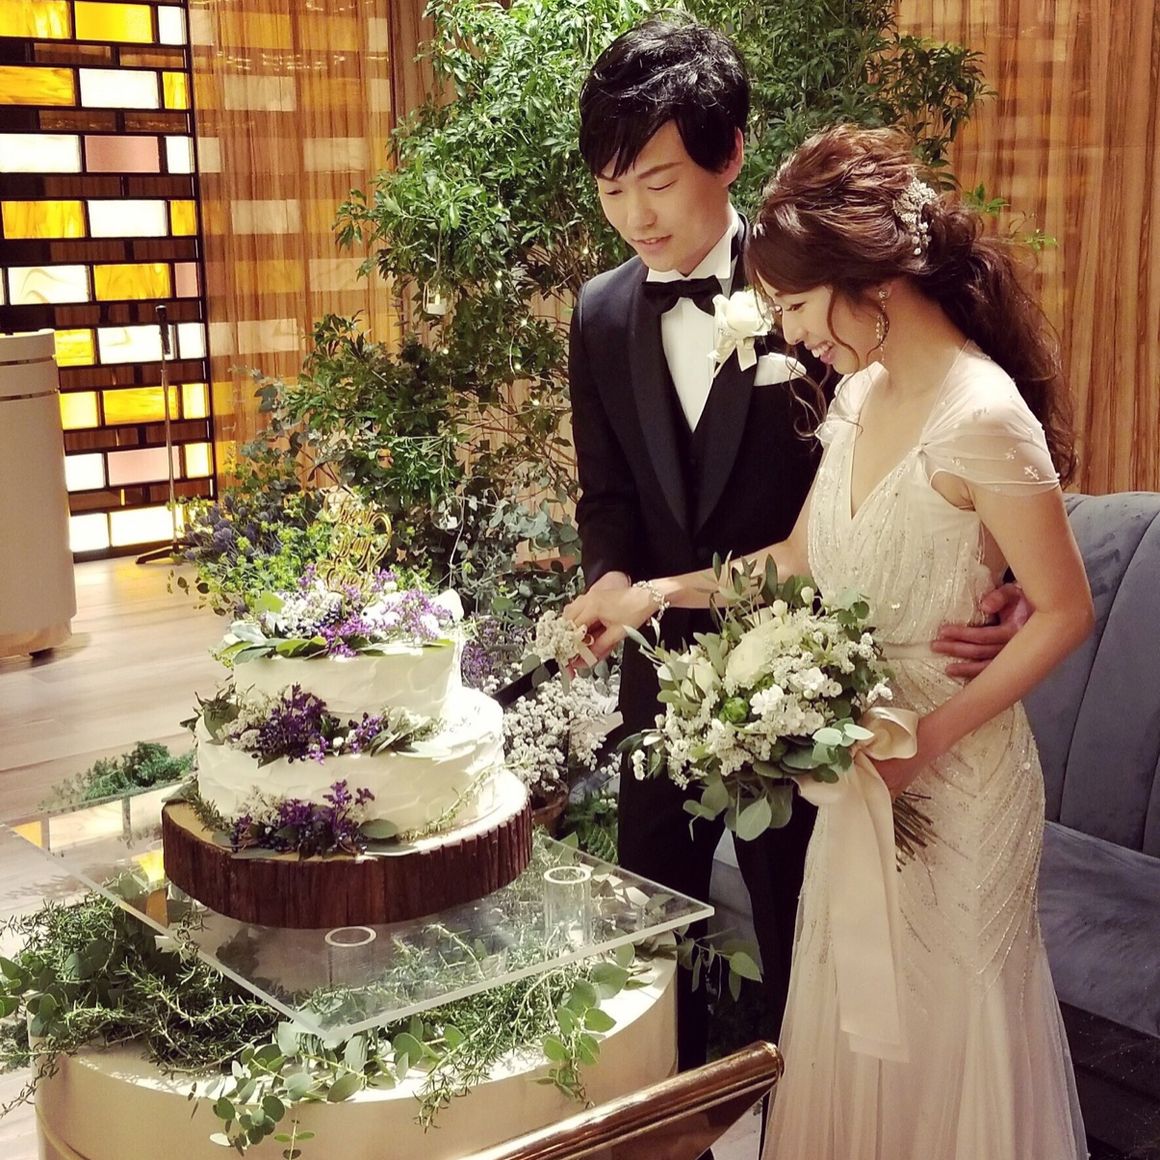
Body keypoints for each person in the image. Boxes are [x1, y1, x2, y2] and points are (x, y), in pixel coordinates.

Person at [566, 123, 1092, 1157]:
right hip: (861, 773)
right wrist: (654, 594)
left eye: (800, 308)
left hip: (956, 778)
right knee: (855, 1023)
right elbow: (797, 561)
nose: (794, 335)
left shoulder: (983, 415)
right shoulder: (857, 394)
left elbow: (1067, 611)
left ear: (871, 283)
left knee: (950, 1033)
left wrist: (926, 741)